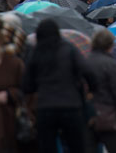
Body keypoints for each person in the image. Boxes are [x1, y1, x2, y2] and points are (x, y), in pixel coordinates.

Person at [23, 18, 97, 153]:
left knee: (47, 146)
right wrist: (92, 89)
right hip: (71, 104)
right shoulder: (69, 49)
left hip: (45, 106)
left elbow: (27, 83)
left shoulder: (36, 52)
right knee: (77, 145)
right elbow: (87, 71)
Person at [86, 30, 116, 153]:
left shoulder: (84, 61)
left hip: (89, 115)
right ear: (109, 45)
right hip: (109, 115)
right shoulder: (110, 64)